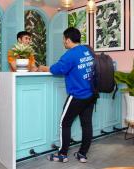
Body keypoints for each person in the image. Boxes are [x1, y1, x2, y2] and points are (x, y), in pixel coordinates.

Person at [38, 27, 96, 163]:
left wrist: (43, 67)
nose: (63, 42)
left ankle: (62, 154)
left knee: (65, 123)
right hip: (91, 94)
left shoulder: (70, 54)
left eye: (64, 39)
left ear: (68, 40)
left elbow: (57, 69)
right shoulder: (88, 50)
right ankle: (82, 154)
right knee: (87, 124)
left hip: (77, 95)